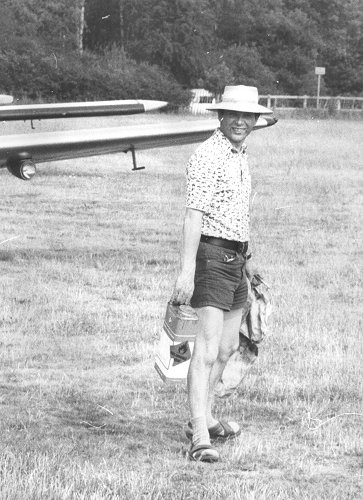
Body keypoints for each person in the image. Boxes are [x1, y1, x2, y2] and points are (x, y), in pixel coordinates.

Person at [171, 85, 273, 462]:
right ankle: (199, 435)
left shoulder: (240, 154)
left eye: (248, 117)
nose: (241, 122)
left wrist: (248, 259)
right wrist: (187, 270)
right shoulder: (207, 156)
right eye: (235, 115)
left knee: (229, 347)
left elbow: (237, 215)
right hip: (211, 259)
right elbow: (193, 215)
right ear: (221, 116)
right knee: (208, 347)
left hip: (235, 261)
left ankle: (207, 415)